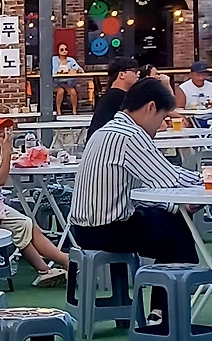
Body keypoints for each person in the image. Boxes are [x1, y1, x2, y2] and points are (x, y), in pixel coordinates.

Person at [70, 77, 202, 264]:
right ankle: (177, 280)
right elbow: (168, 178)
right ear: (151, 107)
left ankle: (166, 280)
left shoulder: (106, 130)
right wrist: (209, 179)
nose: (161, 125)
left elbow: (138, 191)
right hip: (107, 230)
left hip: (83, 229)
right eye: (162, 117)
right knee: (175, 229)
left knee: (168, 219)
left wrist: (173, 206)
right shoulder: (130, 135)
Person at [0, 110, 69, 286]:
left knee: (29, 226)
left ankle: (51, 266)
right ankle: (53, 266)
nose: (0, 130)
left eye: (1, 127)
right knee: (25, 225)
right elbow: (1, 180)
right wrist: (6, 151)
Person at [87, 57, 139, 138]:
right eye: (134, 71)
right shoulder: (121, 98)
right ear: (122, 75)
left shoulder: (108, 96)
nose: (137, 74)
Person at [179, 61, 212, 126]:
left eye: (203, 75)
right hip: (191, 119)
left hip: (211, 119)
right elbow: (179, 108)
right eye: (198, 75)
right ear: (191, 75)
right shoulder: (183, 88)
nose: (201, 78)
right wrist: (184, 119)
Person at [53, 42, 85, 115]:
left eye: (66, 49)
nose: (64, 51)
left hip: (67, 82)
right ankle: (58, 110)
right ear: (58, 51)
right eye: (62, 49)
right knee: (60, 91)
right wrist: (61, 72)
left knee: (73, 92)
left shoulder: (71, 60)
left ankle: (74, 111)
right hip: (56, 82)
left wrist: (79, 70)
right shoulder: (54, 60)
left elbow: (77, 67)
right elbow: (53, 72)